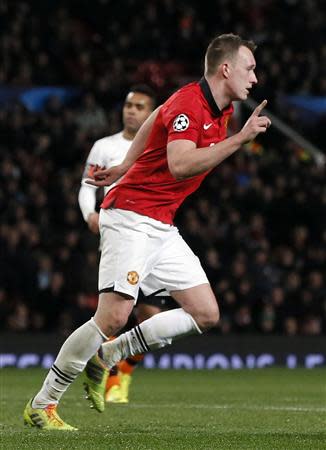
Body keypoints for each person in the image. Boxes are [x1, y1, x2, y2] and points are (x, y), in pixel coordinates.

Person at [23, 33, 271, 430]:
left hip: (161, 222)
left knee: (205, 313)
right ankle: (44, 402)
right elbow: (180, 165)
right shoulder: (192, 103)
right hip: (131, 215)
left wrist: (124, 164)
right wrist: (240, 140)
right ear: (226, 69)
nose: (255, 78)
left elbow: (155, 119)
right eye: (250, 68)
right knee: (113, 315)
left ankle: (108, 356)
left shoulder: (214, 106)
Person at [78, 84, 177, 404]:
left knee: (153, 324)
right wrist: (89, 214)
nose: (131, 110)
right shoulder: (104, 146)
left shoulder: (159, 146)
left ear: (151, 115)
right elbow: (86, 185)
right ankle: (86, 375)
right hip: (119, 233)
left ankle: (120, 369)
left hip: (153, 235)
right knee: (115, 315)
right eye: (129, 104)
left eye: (139, 106)